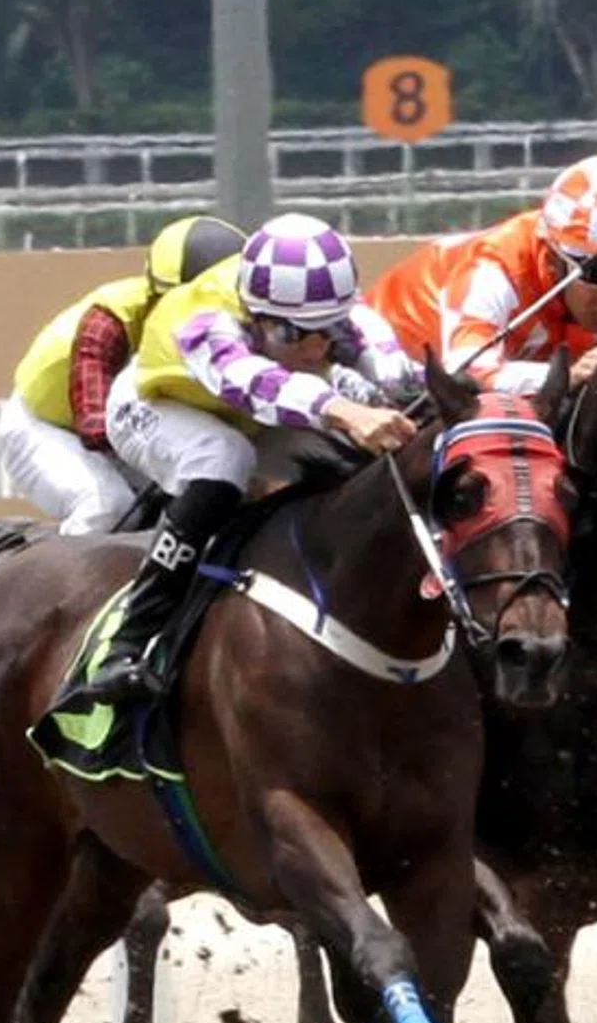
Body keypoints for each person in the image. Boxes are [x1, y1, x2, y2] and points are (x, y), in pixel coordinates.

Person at [51, 212, 423, 712]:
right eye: (296, 334)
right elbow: (253, 383)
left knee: (351, 453)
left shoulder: (334, 316)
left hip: (247, 415)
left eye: (327, 331)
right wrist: (346, 410)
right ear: (255, 314)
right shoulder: (208, 320)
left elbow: (398, 374)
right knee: (224, 458)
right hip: (157, 406)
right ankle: (129, 639)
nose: (316, 347)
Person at [0, 214, 245, 534]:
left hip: (116, 430)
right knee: (107, 507)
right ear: (162, 296)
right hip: (44, 428)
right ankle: (64, 564)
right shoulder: (108, 325)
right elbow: (96, 426)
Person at [368, 154, 597, 393]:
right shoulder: (493, 272)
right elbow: (467, 374)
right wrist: (566, 376)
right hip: (392, 363)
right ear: (554, 256)